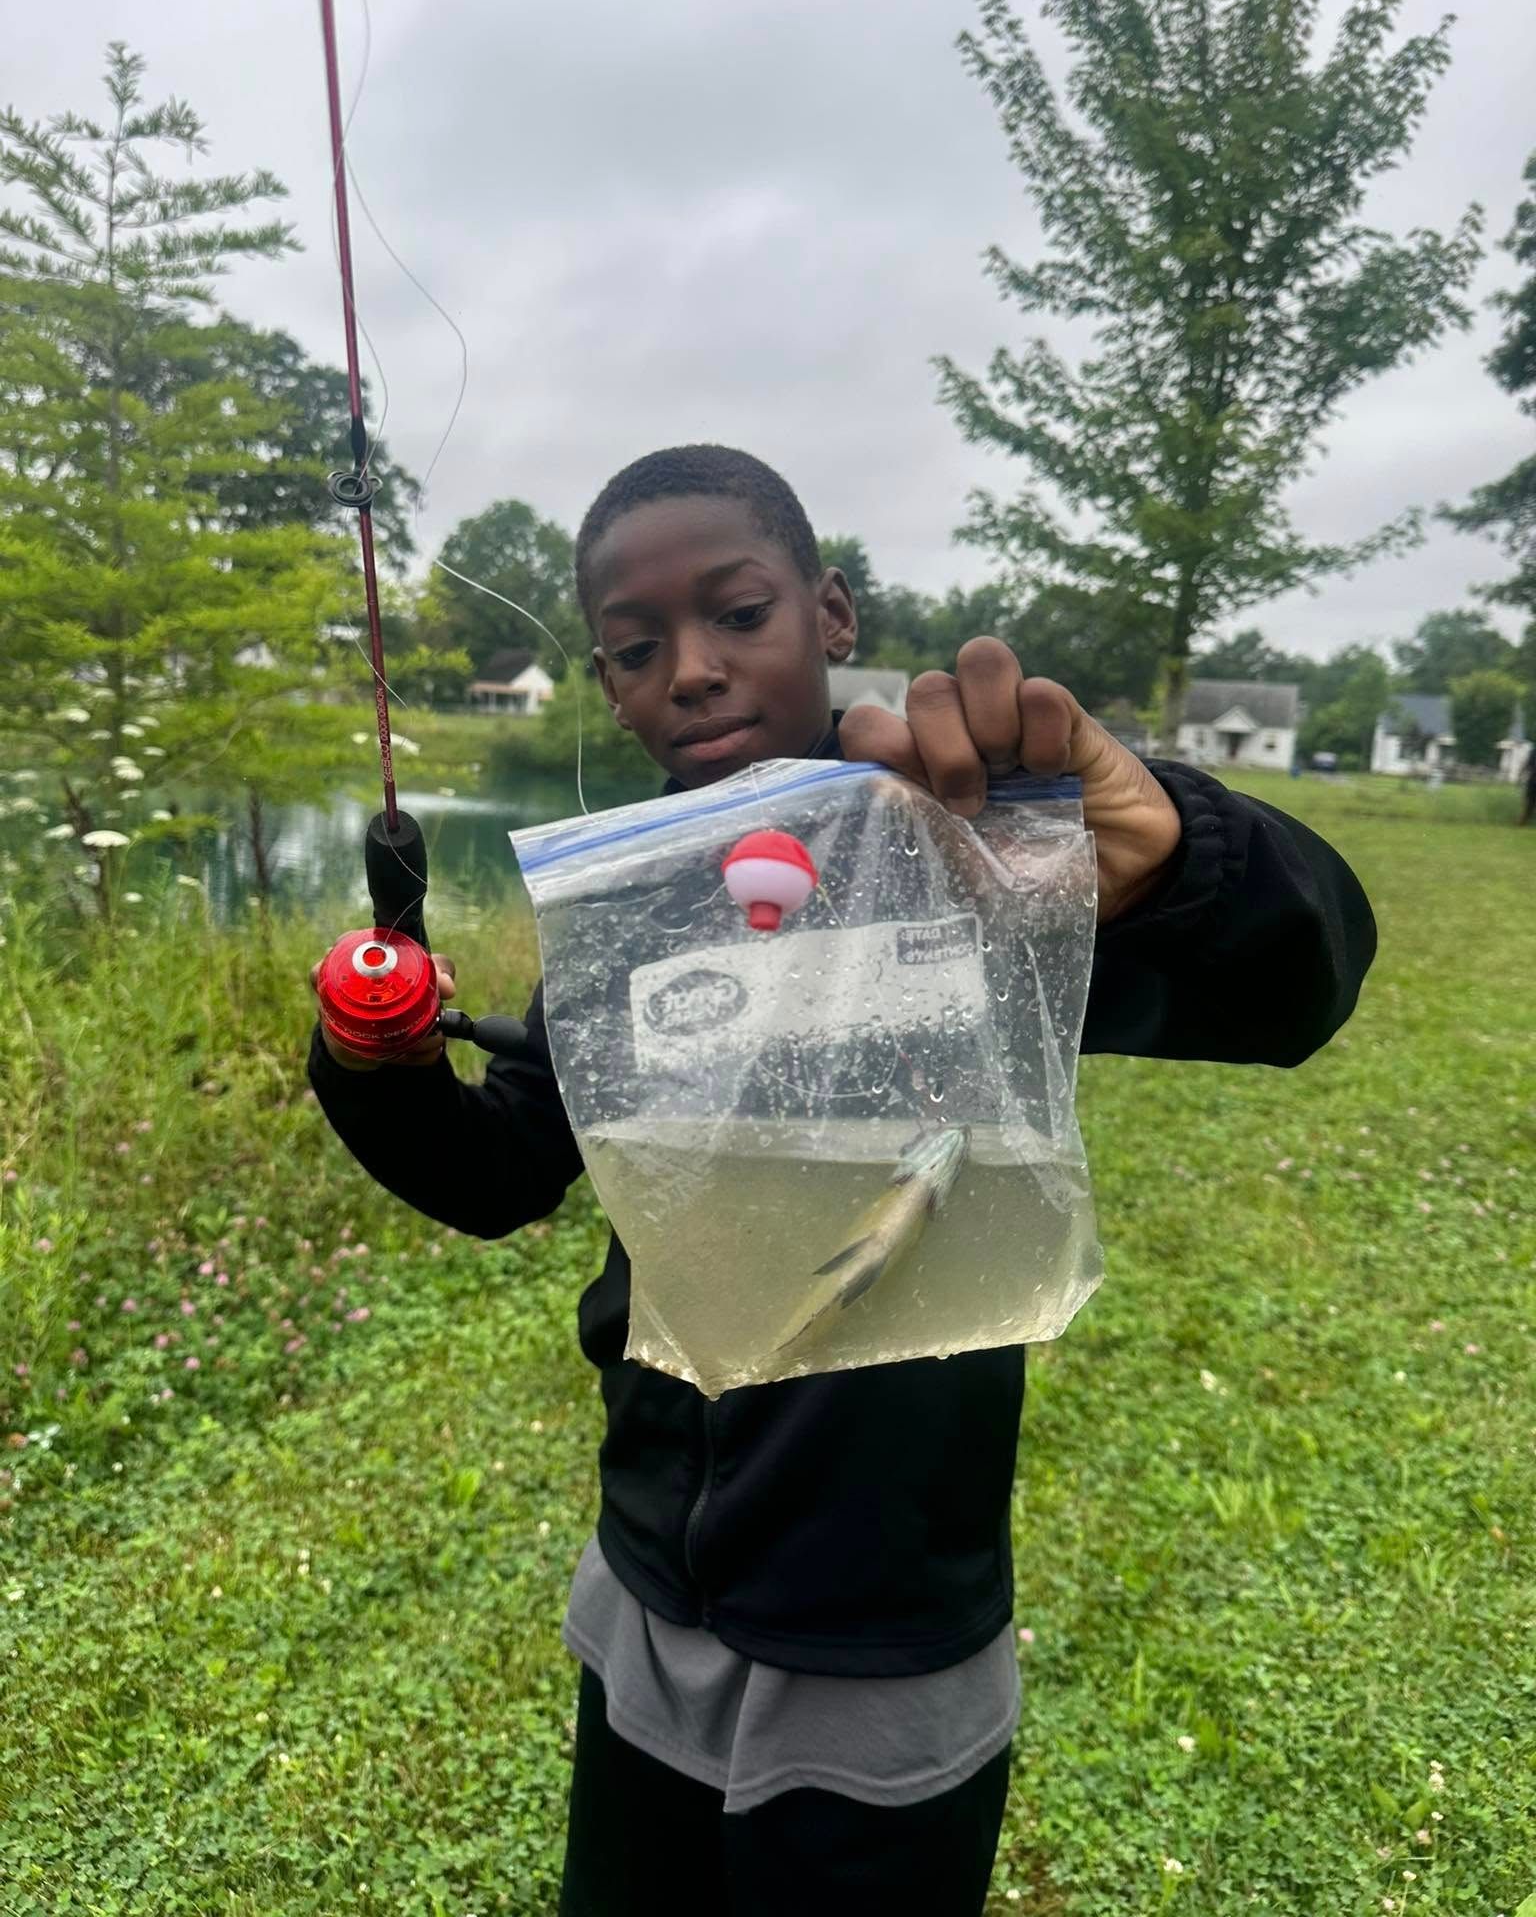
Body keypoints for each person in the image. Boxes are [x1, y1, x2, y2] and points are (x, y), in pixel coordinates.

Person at [307, 444, 1377, 1916]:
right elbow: (506, 1167)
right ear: (608, 684)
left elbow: (1299, 986)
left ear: (834, 616)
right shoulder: (632, 912)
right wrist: (378, 1068)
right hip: (647, 1591)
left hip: (888, 1635)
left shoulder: (976, 860)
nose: (689, 670)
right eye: (635, 648)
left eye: (737, 614)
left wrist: (1179, 853)